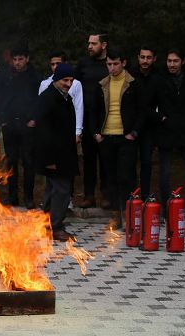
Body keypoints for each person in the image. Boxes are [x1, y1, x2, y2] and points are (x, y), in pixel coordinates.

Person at [89, 47, 144, 227]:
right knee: (110, 177)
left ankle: (128, 212)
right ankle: (115, 214)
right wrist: (96, 133)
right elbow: (94, 111)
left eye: (115, 64)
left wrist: (133, 133)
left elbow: (141, 112)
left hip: (125, 137)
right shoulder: (102, 84)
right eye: (109, 64)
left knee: (127, 176)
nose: (111, 68)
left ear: (124, 63)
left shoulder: (133, 84)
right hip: (106, 137)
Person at [152, 48, 185, 220]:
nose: (172, 64)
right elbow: (150, 104)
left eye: (175, 61)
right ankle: (166, 210)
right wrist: (162, 118)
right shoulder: (159, 79)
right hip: (166, 131)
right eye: (169, 61)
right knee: (164, 173)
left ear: (183, 62)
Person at [36, 63, 79, 242]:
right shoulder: (48, 99)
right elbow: (43, 132)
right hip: (54, 156)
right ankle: (56, 227)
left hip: (65, 153)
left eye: (71, 80)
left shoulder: (65, 97)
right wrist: (48, 158)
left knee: (53, 189)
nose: (68, 84)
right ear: (56, 79)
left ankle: (46, 225)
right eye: (65, 80)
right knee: (61, 190)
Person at [0, 45, 40, 209]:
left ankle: (29, 198)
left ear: (27, 59)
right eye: (15, 59)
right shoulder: (7, 76)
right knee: (11, 162)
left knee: (28, 162)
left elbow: (40, 100)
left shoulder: (35, 77)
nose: (17, 63)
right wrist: (3, 119)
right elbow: (0, 98)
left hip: (28, 125)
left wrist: (34, 119)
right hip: (9, 125)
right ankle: (12, 196)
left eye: (20, 59)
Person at [76, 33, 110, 209]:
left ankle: (106, 194)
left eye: (93, 43)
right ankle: (89, 195)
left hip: (106, 118)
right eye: (88, 43)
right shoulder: (83, 64)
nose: (89, 46)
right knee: (88, 159)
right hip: (87, 117)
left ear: (103, 45)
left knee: (105, 158)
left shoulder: (110, 64)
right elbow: (74, 88)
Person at [130, 46, 162, 200]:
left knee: (146, 162)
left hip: (149, 127)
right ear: (138, 57)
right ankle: (132, 195)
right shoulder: (130, 74)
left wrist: (158, 116)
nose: (145, 61)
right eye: (142, 57)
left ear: (154, 59)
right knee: (130, 161)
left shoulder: (158, 76)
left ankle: (144, 195)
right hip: (132, 124)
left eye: (149, 57)